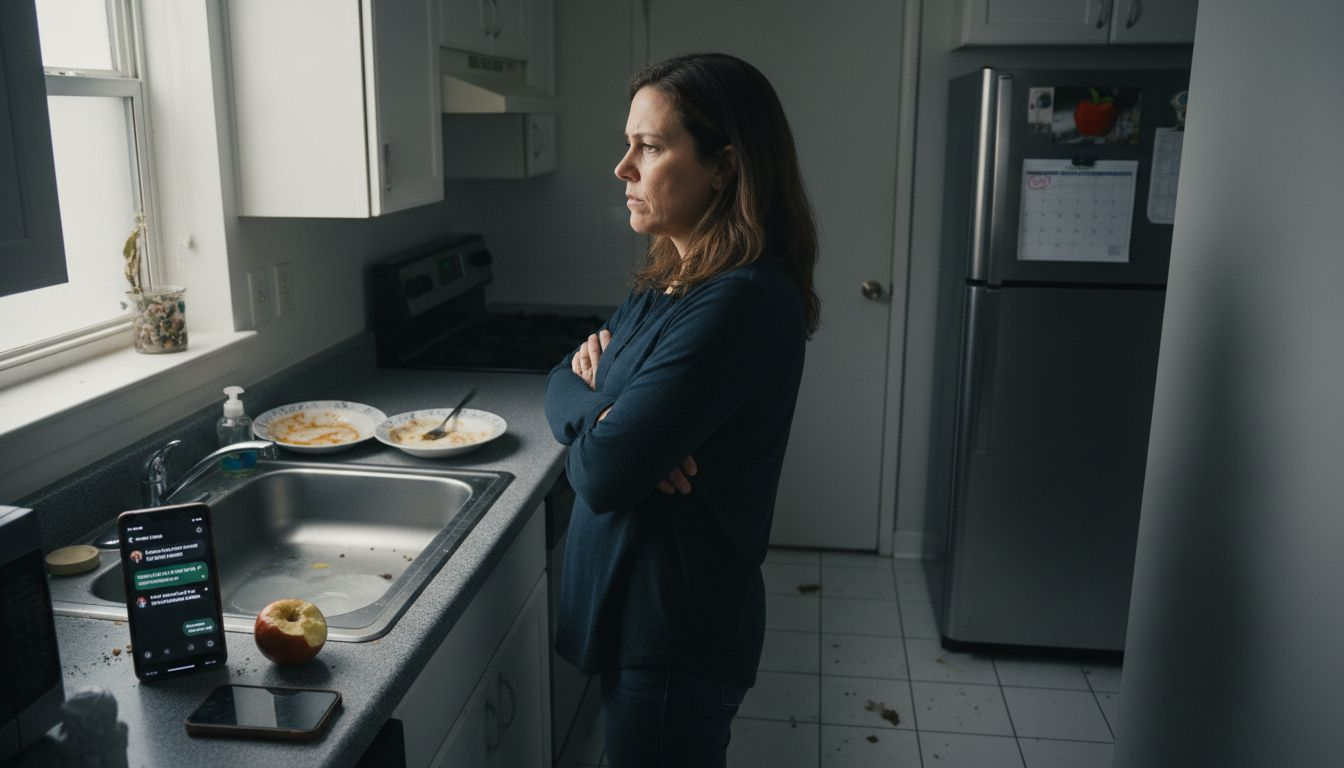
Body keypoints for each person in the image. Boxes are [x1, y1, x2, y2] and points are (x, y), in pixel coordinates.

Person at [544, 52, 820, 767]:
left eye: (652, 146)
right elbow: (555, 381)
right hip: (637, 616)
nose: (622, 168)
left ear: (724, 166)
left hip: (673, 635)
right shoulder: (671, 275)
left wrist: (615, 426)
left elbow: (603, 475)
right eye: (628, 142)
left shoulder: (739, 301)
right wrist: (611, 413)